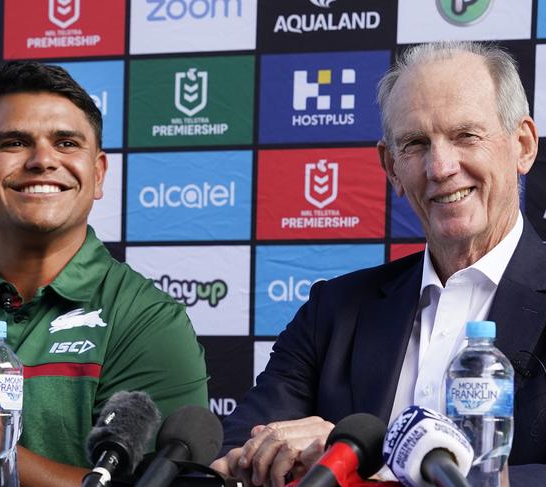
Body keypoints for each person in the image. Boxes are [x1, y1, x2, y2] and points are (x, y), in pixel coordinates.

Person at [212, 41, 546, 486]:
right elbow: (237, 454)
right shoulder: (333, 309)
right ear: (392, 169)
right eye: (415, 143)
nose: (441, 166)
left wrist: (357, 460)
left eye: (466, 135)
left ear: (522, 145)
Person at [0, 61, 208, 487]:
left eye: (65, 143)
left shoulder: (147, 323)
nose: (43, 160)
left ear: (97, 173)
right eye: (14, 142)